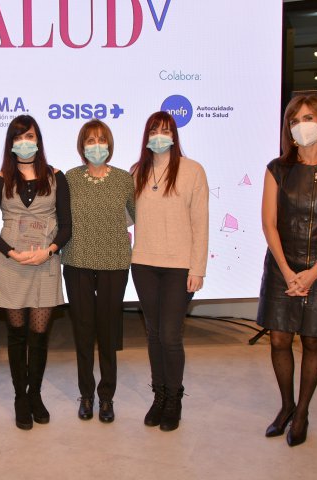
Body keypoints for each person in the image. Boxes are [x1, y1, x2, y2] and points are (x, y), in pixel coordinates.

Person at [257, 95, 317, 447]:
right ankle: (286, 407)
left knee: (313, 341)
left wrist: (314, 272)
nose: (302, 125)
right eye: (294, 120)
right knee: (280, 339)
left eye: (309, 117)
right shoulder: (277, 168)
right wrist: (286, 270)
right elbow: (269, 223)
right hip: (282, 266)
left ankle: (302, 413)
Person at [0, 115, 72, 430]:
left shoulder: (56, 176)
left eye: (30, 135)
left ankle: (36, 394)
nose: (25, 142)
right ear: (11, 143)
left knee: (39, 336)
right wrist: (11, 252)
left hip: (45, 265)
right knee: (17, 336)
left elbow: (67, 226)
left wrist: (48, 251)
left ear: (38, 139)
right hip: (12, 266)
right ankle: (21, 397)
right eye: (18, 137)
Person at [131, 111, 209, 432]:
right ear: (146, 135)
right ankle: (159, 395)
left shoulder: (192, 171)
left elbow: (200, 223)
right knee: (152, 334)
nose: (160, 135)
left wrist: (198, 267)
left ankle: (174, 398)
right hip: (144, 264)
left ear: (175, 135)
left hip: (180, 267)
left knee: (170, 336)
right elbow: (123, 217)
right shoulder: (137, 171)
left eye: (166, 130)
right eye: (154, 130)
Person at [61, 120, 134, 423]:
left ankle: (106, 398)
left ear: (110, 144)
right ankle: (86, 395)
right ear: (81, 146)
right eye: (90, 140)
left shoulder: (124, 179)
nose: (96, 145)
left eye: (101, 139)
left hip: (114, 264)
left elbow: (137, 216)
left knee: (107, 332)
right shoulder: (68, 179)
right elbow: (60, 220)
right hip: (76, 261)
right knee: (82, 331)